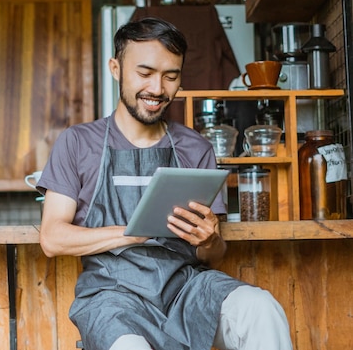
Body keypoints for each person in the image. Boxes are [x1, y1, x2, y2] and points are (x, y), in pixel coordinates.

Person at [36, 17, 293, 350]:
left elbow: (213, 253)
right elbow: (52, 239)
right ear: (116, 69)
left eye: (170, 76)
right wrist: (136, 231)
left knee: (261, 309)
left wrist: (209, 239)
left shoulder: (196, 148)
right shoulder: (77, 143)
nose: (157, 89)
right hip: (112, 298)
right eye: (144, 74)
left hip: (186, 291)